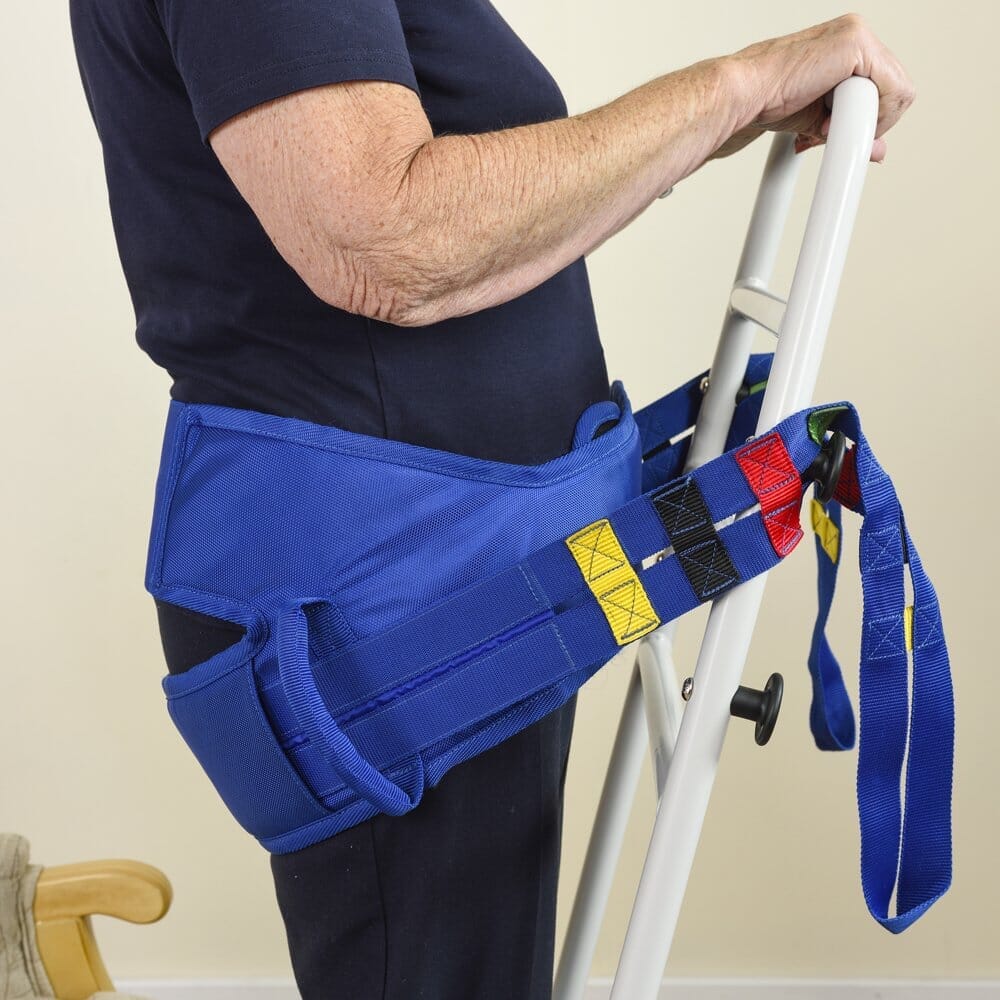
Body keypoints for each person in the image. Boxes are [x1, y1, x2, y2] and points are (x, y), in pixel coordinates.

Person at [69, 3, 913, 998]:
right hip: (395, 602)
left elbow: (447, 212)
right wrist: (740, 85)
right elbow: (386, 238)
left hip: (470, 573)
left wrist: (737, 108)